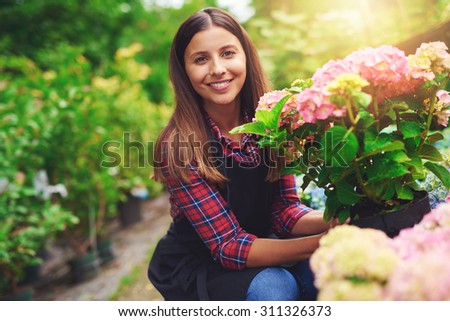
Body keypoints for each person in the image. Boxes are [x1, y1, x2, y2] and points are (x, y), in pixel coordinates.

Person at [148, 7, 337, 301]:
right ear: (184, 71)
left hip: (259, 242)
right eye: (200, 59)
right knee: (275, 288)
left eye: (228, 53)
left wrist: (342, 218)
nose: (217, 69)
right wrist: (326, 241)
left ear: (246, 56)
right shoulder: (178, 146)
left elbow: (284, 212)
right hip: (205, 262)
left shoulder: (273, 123)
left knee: (325, 273)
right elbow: (228, 246)